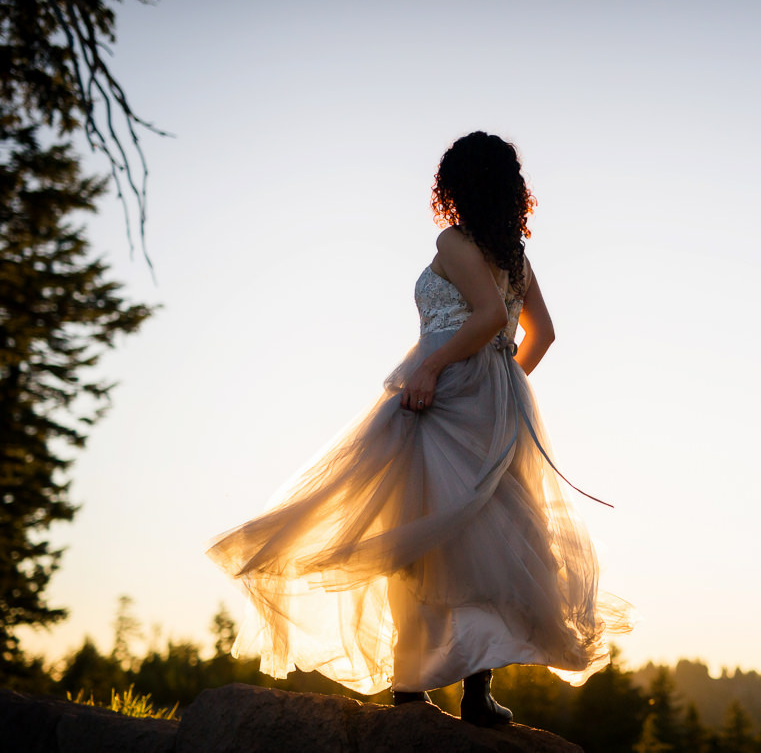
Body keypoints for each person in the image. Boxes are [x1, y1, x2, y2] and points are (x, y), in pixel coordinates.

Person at [206, 131, 633, 726]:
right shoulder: (515, 256)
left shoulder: (454, 241)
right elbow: (542, 335)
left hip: (441, 390)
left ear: (456, 185)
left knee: (415, 531)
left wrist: (433, 366)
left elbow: (486, 315)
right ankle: (473, 694)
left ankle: (412, 689)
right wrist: (505, 381)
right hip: (491, 397)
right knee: (484, 537)